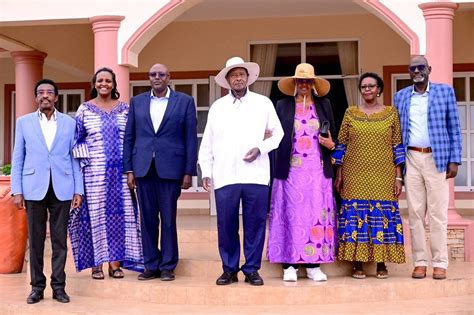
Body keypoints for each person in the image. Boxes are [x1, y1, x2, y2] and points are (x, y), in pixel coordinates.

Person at [199, 57, 284, 286]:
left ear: (248, 78)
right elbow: (207, 142)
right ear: (227, 80)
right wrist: (206, 171)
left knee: (255, 224)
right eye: (233, 75)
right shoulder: (218, 107)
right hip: (225, 175)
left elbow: (278, 134)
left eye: (241, 74)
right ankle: (229, 269)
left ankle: (252, 269)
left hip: (255, 174)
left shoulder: (263, 103)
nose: (238, 78)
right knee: (226, 224)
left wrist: (260, 148)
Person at [11, 79, 83, 304]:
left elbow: (74, 159)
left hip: (63, 188)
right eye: (41, 93)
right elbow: (18, 158)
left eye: (49, 92)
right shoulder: (24, 123)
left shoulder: (69, 124)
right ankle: (37, 287)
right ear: (35, 98)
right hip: (34, 188)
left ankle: (59, 287)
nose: (45, 96)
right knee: (36, 241)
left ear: (56, 97)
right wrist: (17, 190)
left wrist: (78, 190)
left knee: (60, 240)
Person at [123, 63, 197, 281]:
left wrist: (188, 171)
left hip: (171, 170)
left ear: (169, 77)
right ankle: (151, 265)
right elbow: (130, 137)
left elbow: (190, 139)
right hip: (143, 169)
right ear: (149, 78)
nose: (157, 77)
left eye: (161, 74)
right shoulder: (137, 102)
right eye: (153, 74)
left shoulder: (184, 102)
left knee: (168, 219)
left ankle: (167, 266)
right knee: (146, 220)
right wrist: (129, 169)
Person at [68, 67, 143, 279]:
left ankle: (115, 264)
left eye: (108, 81)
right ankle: (96, 265)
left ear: (114, 84)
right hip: (94, 175)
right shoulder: (85, 109)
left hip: (120, 174)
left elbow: (132, 140)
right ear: (94, 83)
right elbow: (76, 140)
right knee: (95, 217)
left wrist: (131, 170)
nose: (104, 84)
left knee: (120, 217)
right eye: (100, 80)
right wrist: (85, 164)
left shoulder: (125, 109)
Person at [267, 63, 337, 282]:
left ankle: (314, 265)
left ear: (313, 84)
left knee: (316, 215)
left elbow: (334, 137)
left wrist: (331, 144)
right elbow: (273, 135)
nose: (304, 85)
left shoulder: (324, 105)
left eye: (308, 81)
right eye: (300, 81)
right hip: (290, 172)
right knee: (290, 215)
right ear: (295, 84)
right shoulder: (282, 105)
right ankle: (289, 265)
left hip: (317, 171)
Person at [394, 56, 462, 280]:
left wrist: (454, 160)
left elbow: (454, 127)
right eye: (412, 68)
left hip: (437, 159)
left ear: (429, 69)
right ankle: (420, 262)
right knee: (414, 214)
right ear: (409, 72)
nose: (416, 71)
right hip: (411, 158)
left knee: (438, 214)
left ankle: (440, 263)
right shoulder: (401, 96)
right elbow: (397, 133)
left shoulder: (445, 92)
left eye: (420, 67)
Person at [333, 72, 406, 279]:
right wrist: (339, 173)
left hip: (383, 174)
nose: (367, 90)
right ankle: (357, 263)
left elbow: (396, 145)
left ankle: (381, 264)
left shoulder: (391, 113)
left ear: (379, 89)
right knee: (356, 216)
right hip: (354, 173)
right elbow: (342, 143)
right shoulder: (350, 113)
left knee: (381, 217)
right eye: (364, 87)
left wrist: (398, 177)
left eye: (371, 86)